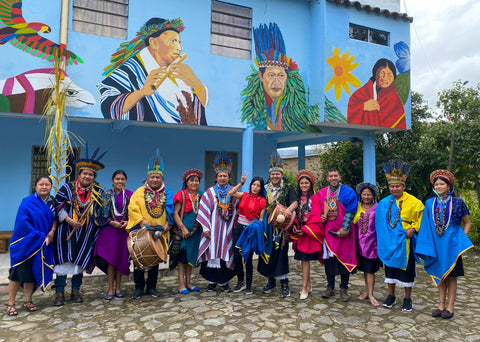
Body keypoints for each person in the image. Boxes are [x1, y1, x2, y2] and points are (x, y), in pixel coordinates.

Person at [99, 17, 208, 124]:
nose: (180, 48)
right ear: (154, 43)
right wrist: (142, 92)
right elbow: (108, 106)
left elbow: (199, 108)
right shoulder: (132, 69)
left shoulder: (181, 72)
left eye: (179, 42)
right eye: (173, 41)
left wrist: (196, 83)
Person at [416, 170, 473, 319]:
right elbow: (426, 226)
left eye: (442, 184)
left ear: (449, 186)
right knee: (440, 274)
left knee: (452, 276)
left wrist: (461, 241)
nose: (439, 186)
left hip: (452, 246)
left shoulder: (458, 202)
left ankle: (450, 307)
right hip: (436, 245)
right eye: (436, 184)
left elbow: (467, 223)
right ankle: (441, 304)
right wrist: (426, 246)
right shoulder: (429, 203)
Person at [240, 23, 318, 132]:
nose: (277, 82)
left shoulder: (296, 107)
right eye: (271, 75)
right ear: (261, 76)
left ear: (286, 77)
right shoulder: (254, 106)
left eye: (281, 76)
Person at [53, 148, 106, 306]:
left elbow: (102, 211)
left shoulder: (98, 192)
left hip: (86, 232)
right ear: (80, 174)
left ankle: (76, 291)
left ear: (93, 177)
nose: (87, 176)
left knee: (80, 260)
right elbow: (57, 206)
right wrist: (69, 220)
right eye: (85, 174)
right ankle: (59, 293)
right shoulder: (67, 188)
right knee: (63, 260)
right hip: (66, 231)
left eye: (91, 175)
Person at [375, 160, 424, 312]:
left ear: (403, 186)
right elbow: (379, 223)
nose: (394, 188)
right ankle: (391, 296)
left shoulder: (415, 203)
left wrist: (414, 229)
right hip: (389, 242)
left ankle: (407, 298)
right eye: (392, 186)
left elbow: (422, 219)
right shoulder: (383, 203)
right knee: (390, 270)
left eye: (397, 186)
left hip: (405, 242)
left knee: (406, 270)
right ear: (388, 187)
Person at [127, 149, 174, 299]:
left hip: (160, 233)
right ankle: (138, 288)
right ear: (147, 178)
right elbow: (132, 208)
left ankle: (152, 287)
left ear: (162, 179)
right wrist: (141, 220)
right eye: (152, 177)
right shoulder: (139, 192)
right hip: (143, 232)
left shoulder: (167, 193)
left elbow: (172, 210)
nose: (155, 180)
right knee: (139, 261)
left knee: (155, 260)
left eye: (157, 177)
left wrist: (168, 223)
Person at [6, 176, 56, 316]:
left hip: (41, 245)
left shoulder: (51, 203)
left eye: (47, 184)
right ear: (36, 187)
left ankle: (28, 300)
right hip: (26, 243)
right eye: (41, 184)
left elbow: (54, 220)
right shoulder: (27, 202)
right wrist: (40, 236)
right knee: (17, 273)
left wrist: (51, 232)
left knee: (31, 273)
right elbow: (23, 224)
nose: (44, 187)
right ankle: (11, 303)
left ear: (51, 187)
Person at [197, 152, 239, 292]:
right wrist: (205, 229)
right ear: (216, 177)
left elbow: (239, 209)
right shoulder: (209, 193)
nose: (222, 178)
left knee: (226, 254)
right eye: (220, 176)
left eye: (225, 176)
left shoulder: (234, 192)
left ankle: (224, 282)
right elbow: (203, 211)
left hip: (228, 230)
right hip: (212, 231)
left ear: (229, 177)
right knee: (212, 254)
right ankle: (211, 281)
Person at [258, 153, 297, 297]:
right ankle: (271, 281)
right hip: (268, 227)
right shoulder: (265, 188)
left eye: (278, 174)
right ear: (270, 175)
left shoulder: (288, 187)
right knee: (267, 252)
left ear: (282, 175)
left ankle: (284, 284)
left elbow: (295, 202)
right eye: (273, 174)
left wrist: (289, 210)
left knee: (281, 254)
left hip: (282, 228)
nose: (275, 176)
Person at [315, 167, 358, 302]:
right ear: (327, 178)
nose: (333, 178)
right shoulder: (321, 193)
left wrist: (344, 228)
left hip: (345, 233)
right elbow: (317, 211)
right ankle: (330, 287)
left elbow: (351, 211)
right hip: (328, 233)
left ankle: (343, 288)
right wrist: (320, 217)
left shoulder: (348, 192)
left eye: (335, 176)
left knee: (345, 259)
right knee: (330, 260)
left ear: (340, 177)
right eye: (331, 176)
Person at [93, 170, 132, 300]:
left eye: (122, 179)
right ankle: (110, 289)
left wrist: (128, 222)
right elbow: (100, 215)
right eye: (117, 179)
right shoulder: (106, 195)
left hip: (124, 231)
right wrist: (111, 222)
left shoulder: (130, 195)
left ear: (125, 181)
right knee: (111, 260)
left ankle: (118, 288)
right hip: (110, 231)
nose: (120, 181)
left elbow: (134, 213)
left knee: (121, 259)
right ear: (112, 180)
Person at [229, 173, 267, 294]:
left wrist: (258, 231)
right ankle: (241, 282)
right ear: (250, 186)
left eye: (258, 186)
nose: (255, 187)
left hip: (251, 231)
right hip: (239, 228)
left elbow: (261, 219)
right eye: (253, 185)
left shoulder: (262, 201)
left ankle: (249, 285)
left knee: (248, 258)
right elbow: (231, 193)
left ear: (261, 188)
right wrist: (241, 183)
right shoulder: (244, 195)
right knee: (236, 256)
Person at [170, 169, 204, 294]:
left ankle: (189, 282)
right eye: (192, 181)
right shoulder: (182, 195)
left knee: (191, 257)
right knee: (182, 259)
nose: (194, 183)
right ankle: (181, 284)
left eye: (196, 181)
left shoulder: (201, 194)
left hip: (195, 232)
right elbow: (175, 214)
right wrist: (183, 228)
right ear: (186, 182)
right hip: (183, 233)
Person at [290, 169, 322, 300]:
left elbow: (316, 215)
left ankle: (304, 287)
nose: (304, 185)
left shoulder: (315, 198)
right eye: (301, 183)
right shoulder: (296, 199)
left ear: (311, 184)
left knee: (305, 260)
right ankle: (307, 285)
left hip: (310, 231)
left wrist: (307, 229)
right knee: (304, 260)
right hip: (300, 231)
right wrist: (294, 225)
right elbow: (293, 215)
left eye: (306, 183)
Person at [347, 58, 406, 129]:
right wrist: (363, 107)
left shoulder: (395, 99)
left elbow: (400, 123)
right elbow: (351, 109)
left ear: (394, 78)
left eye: (389, 75)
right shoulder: (362, 93)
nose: (384, 78)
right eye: (382, 73)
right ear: (375, 73)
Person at [353, 182, 382, 306]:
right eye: (364, 194)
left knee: (370, 270)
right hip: (360, 244)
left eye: (369, 194)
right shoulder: (357, 207)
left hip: (372, 245)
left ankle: (370, 294)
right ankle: (367, 291)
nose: (366, 197)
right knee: (365, 270)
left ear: (373, 195)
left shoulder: (378, 208)